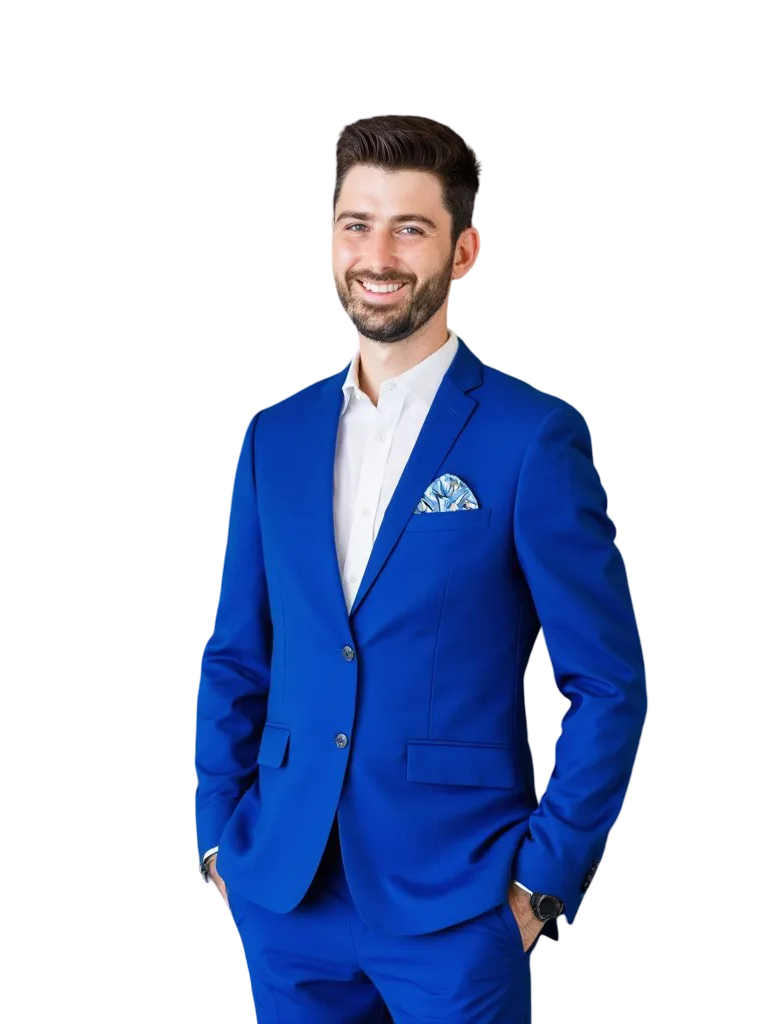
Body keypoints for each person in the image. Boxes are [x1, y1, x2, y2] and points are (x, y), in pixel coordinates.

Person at [194, 113, 648, 1022]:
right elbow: (237, 655)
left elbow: (608, 682)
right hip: (283, 894)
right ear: (330, 238)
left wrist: (543, 882)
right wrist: (217, 841)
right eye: (356, 224)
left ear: (463, 250)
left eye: (410, 228)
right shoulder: (272, 435)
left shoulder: (533, 436)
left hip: (459, 901)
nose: (378, 256)